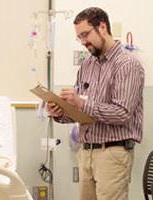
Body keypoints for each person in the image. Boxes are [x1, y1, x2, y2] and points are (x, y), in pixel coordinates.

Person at [46, 7, 144, 200]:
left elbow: (122, 113)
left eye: (85, 34)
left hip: (113, 153)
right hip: (86, 152)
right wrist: (60, 112)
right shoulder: (87, 65)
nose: (83, 42)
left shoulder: (127, 64)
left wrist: (80, 102)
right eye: (79, 37)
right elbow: (79, 111)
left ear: (102, 27)